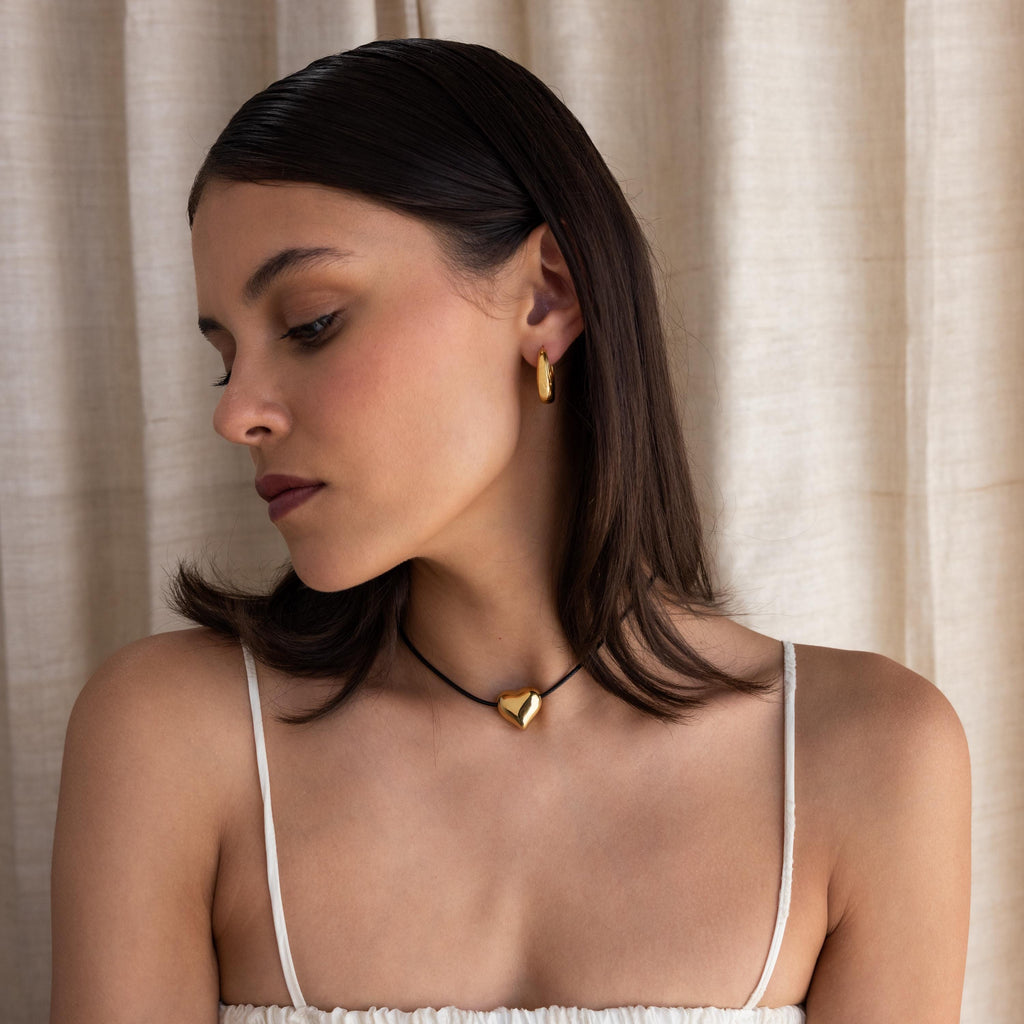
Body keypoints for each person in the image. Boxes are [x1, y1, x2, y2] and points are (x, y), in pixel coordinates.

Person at [50, 38, 970, 1024]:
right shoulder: (175, 740)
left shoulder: (867, 757)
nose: (237, 414)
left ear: (546, 296)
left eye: (311, 322)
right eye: (224, 357)